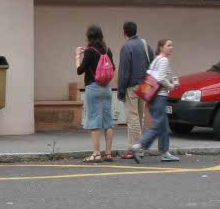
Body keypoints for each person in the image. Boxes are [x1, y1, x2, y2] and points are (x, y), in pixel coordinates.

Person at [132, 38, 180, 163]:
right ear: (161, 47)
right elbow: (161, 78)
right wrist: (172, 86)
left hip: (152, 96)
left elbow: (151, 76)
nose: (171, 47)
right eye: (169, 45)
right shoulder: (163, 60)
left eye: (172, 45)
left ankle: (165, 152)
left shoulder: (156, 60)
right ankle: (139, 146)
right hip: (160, 96)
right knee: (159, 124)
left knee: (163, 125)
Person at [75, 24, 116, 161]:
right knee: (108, 121)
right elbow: (113, 68)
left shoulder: (89, 51)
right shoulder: (107, 50)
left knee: (94, 120)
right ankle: (109, 153)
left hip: (93, 88)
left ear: (89, 37)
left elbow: (80, 70)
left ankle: (96, 153)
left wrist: (77, 56)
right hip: (107, 89)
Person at [116, 20, 153, 160]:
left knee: (132, 118)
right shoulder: (145, 45)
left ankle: (137, 148)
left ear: (124, 32)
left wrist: (120, 91)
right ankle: (133, 146)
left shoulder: (127, 47)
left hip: (132, 86)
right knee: (140, 116)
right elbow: (152, 64)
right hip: (145, 85)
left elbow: (124, 72)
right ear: (136, 31)